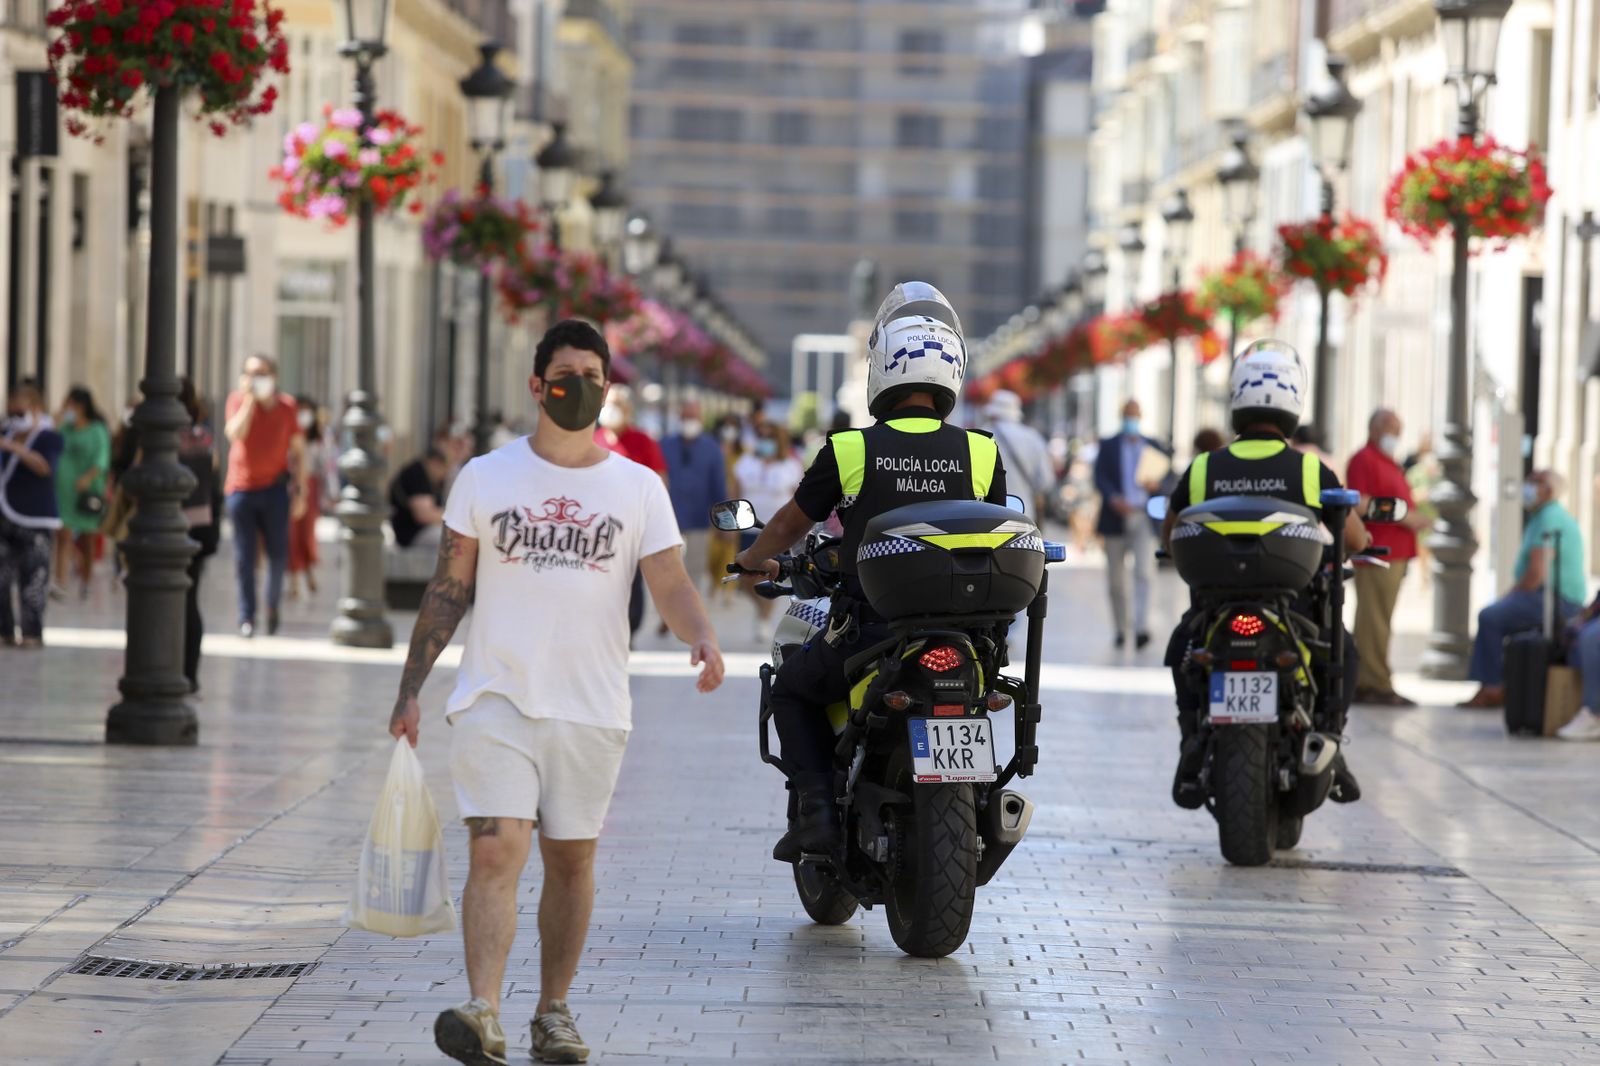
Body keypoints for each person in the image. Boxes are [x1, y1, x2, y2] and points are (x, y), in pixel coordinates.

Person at [387, 319, 723, 1066]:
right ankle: (483, 1009)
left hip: (592, 704)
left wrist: (699, 634)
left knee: (571, 861)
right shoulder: (485, 476)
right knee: (495, 851)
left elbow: (668, 578)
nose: (582, 388)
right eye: (566, 375)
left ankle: (553, 1011)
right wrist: (411, 688)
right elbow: (448, 589)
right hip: (496, 697)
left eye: (595, 377)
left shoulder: (638, 487)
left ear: (608, 389)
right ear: (538, 386)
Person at [732, 281, 1009, 861]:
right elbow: (1000, 533)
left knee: (792, 689)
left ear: (882, 367)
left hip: (871, 633)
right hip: (969, 642)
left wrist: (751, 557)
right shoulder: (981, 451)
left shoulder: (851, 448)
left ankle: (817, 816)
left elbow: (787, 524)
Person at [1161, 340, 1371, 809]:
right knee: (1346, 652)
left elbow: (1170, 534)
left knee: (1181, 651)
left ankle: (1191, 740)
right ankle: (1329, 743)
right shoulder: (1311, 472)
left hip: (1215, 610)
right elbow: (1354, 540)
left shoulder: (1203, 468)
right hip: (1294, 609)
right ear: (1295, 405)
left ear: (1236, 402)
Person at [1458, 468, 1586, 709]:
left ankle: (1492, 687)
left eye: (1535, 482)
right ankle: (1496, 684)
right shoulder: (1543, 516)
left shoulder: (1550, 517)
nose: (1527, 487)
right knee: (1497, 615)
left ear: (1548, 490)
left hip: (1556, 601)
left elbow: (1535, 575)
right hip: (1548, 597)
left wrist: (1509, 595)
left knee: (1491, 617)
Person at [1345, 409, 1430, 706]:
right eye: (1392, 429)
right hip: (1377, 551)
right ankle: (1373, 682)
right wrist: (1404, 516)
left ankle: (1373, 677)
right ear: (1376, 429)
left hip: (1396, 552)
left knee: (1379, 618)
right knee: (1374, 620)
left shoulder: (1388, 462)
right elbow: (1358, 502)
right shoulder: (1364, 460)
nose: (1396, 436)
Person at [223, 355, 307, 637]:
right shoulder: (237, 401)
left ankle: (272, 606)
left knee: (277, 555)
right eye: (251, 373)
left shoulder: (287, 407)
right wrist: (249, 402)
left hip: (275, 490)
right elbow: (234, 434)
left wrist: (302, 491)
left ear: (274, 376)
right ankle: (246, 617)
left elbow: (298, 452)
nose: (256, 377)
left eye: (262, 373)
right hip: (241, 490)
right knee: (245, 557)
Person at [1094, 399, 1168, 650]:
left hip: (1144, 516)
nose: (1131, 420)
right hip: (1116, 517)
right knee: (1116, 579)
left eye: (1135, 415)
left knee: (1144, 573)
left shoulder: (1154, 446)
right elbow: (1100, 477)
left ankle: (1141, 627)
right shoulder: (1109, 445)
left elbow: (1168, 478)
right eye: (1128, 415)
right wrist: (1113, 498)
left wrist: (1157, 487)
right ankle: (1121, 628)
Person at [596, 384, 667, 639]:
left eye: (617, 404)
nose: (611, 410)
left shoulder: (642, 441)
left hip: (633, 522)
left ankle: (629, 627)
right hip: (597, 523)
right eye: (608, 403)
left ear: (628, 410)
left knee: (631, 576)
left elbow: (659, 479)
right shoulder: (594, 440)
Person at [0, 382, 64, 647]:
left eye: (21, 409)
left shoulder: (49, 437)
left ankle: (31, 633)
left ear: (36, 409)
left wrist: (15, 448)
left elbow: (44, 467)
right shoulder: (6, 432)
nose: (16, 415)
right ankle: (4, 631)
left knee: (34, 578)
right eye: (13, 409)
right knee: (2, 578)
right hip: (4, 514)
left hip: (35, 518)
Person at [733, 422, 804, 626]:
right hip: (747, 528)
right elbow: (736, 490)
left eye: (769, 437)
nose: (765, 442)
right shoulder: (747, 461)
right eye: (761, 436)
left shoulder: (790, 465)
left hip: (775, 531)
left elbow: (798, 498)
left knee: (769, 574)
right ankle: (761, 608)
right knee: (746, 576)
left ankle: (764, 617)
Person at [176, 378, 221, 694]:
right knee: (190, 598)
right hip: (201, 524)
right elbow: (215, 476)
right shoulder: (205, 438)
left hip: (169, 526)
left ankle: (174, 669)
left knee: (172, 599)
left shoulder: (164, 439)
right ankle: (190, 674)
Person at [660, 400, 727, 598]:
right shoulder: (665, 444)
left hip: (699, 518)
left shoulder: (712, 448)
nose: (689, 421)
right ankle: (669, 604)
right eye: (686, 417)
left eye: (693, 417)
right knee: (667, 566)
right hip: (669, 517)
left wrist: (723, 521)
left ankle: (690, 604)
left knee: (695, 567)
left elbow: (718, 486)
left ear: (701, 419)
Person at [51, 386, 112, 600]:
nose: (67, 408)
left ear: (81, 406)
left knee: (87, 538)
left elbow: (102, 458)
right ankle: (61, 582)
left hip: (87, 490)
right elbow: (52, 443)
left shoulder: (97, 430)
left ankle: (85, 579)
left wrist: (88, 477)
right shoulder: (65, 428)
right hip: (64, 488)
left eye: (70, 404)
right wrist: (57, 420)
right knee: (63, 535)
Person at [986, 389, 1054, 522]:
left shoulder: (981, 435)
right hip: (1024, 514)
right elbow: (1046, 480)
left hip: (989, 515)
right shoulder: (1032, 437)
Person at [286, 395, 324, 599]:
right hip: (291, 488)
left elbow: (327, 467)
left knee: (307, 534)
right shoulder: (287, 434)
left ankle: (308, 572)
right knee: (291, 535)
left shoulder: (318, 439)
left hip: (311, 489)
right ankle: (293, 579)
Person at [389, 440, 453, 551]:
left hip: (420, 532)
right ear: (436, 462)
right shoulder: (417, 473)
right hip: (410, 535)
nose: (444, 474)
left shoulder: (424, 474)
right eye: (445, 468)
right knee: (450, 541)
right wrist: (454, 518)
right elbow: (424, 515)